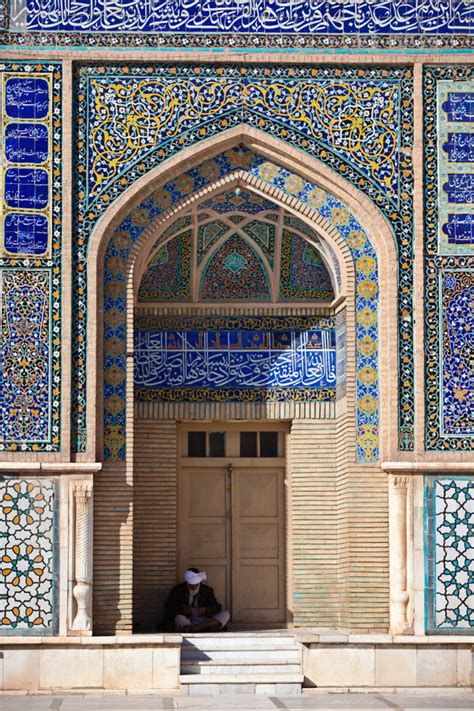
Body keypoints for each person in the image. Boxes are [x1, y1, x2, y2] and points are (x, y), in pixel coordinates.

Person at [163, 568, 230, 632]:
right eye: (191, 585)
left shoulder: (207, 590)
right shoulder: (178, 590)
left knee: (225, 614)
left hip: (203, 620)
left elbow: (217, 607)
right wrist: (182, 609)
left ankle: (197, 628)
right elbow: (168, 608)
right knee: (179, 618)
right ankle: (195, 628)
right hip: (187, 619)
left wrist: (206, 610)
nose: (193, 587)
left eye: (196, 585)